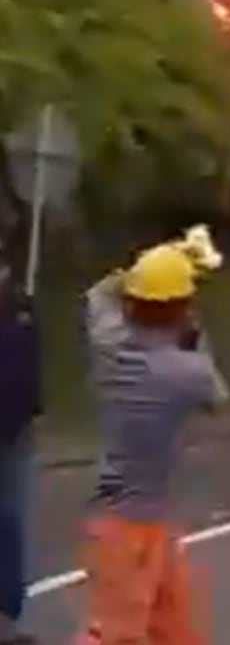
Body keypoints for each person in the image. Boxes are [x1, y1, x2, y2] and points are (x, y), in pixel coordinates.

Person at [73, 229, 230, 645]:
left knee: (173, 632)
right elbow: (219, 398)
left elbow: (96, 296)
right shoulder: (186, 372)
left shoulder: (109, 346)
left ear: (132, 302)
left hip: (126, 522)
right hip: (135, 529)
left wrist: (143, 269)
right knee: (117, 637)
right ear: (183, 308)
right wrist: (195, 331)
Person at [0, 272, 39, 645]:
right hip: (13, 430)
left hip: (15, 433)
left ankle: (18, 620)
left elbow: (28, 372)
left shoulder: (22, 310)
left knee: (13, 523)